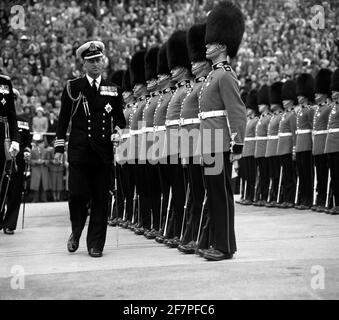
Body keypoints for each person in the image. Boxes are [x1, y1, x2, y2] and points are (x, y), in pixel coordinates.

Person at [54, 41, 126, 258]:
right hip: (79, 152)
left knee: (101, 200)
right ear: (83, 64)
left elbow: (120, 121)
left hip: (102, 153)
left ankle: (96, 244)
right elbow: (63, 120)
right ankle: (76, 231)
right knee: (77, 195)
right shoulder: (72, 87)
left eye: (99, 60)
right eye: (91, 61)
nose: (96, 64)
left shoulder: (113, 90)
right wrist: (59, 148)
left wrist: (118, 132)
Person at [197, 1, 246, 261]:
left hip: (218, 142)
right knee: (213, 193)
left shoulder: (225, 75)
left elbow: (237, 111)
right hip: (208, 141)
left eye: (212, 41)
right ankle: (213, 240)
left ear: (223, 45)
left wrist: (237, 144)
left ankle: (225, 246)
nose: (207, 45)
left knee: (220, 194)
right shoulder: (212, 76)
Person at [0, 88, 30, 234]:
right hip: (3, 159)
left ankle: (10, 224)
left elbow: (28, 143)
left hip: (17, 162)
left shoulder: (24, 122)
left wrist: (27, 151)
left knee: (15, 193)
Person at [0, 74, 20, 232]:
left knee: (2, 182)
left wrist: (15, 139)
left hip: (2, 135)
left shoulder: (5, 82)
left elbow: (11, 114)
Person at [312, 68, 332, 213]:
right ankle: (320, 199)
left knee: (326, 174)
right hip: (318, 146)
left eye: (318, 92)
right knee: (320, 175)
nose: (315, 94)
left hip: (327, 144)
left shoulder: (329, 108)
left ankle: (327, 199)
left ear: (324, 94)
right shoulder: (317, 109)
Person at [295, 73, 315, 210]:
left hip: (308, 144)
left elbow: (313, 129)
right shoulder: (300, 111)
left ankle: (308, 199)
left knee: (308, 174)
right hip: (300, 145)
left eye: (300, 94)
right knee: (302, 174)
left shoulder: (310, 110)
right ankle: (303, 198)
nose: (298, 96)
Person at [324, 68, 339, 215]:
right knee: (334, 176)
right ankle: (336, 203)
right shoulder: (332, 107)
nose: (333, 93)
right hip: (331, 145)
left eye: (335, 91)